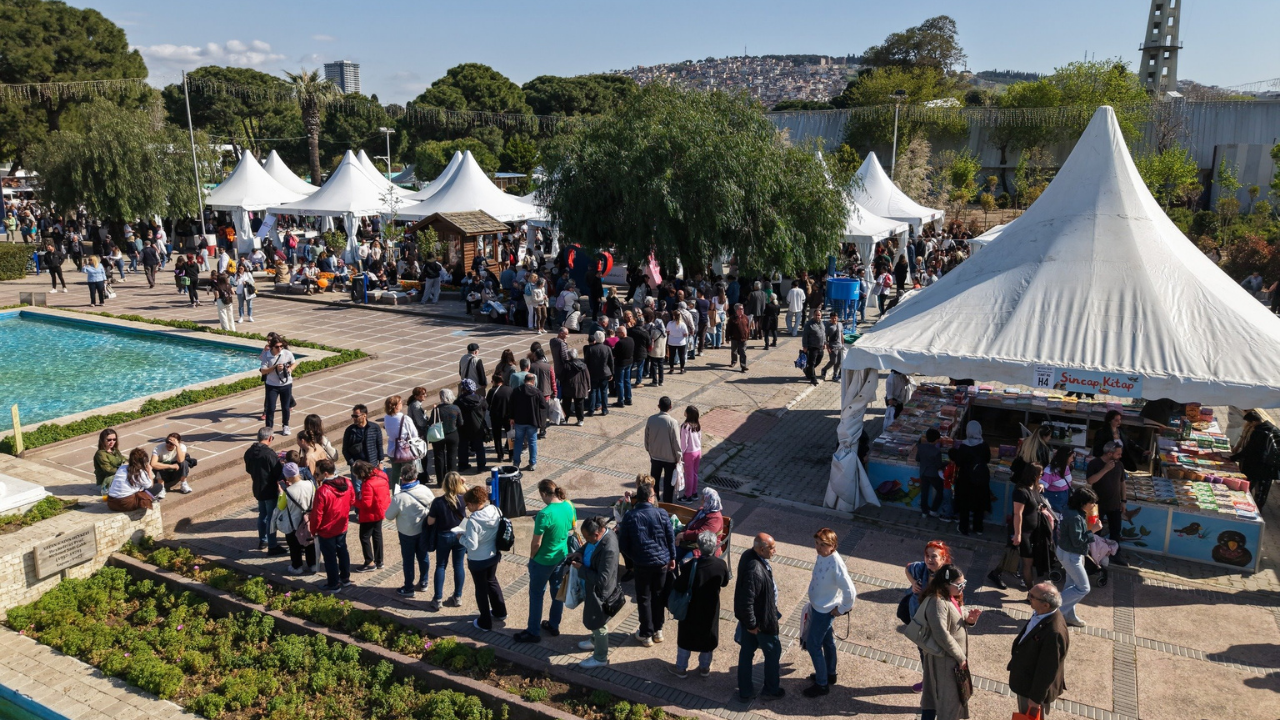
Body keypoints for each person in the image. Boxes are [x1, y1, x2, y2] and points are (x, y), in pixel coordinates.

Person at [515, 479, 577, 643]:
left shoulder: (544, 514)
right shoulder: (568, 506)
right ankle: (554, 625)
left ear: (543, 493)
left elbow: (536, 543)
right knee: (557, 592)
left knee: (536, 594)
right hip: (561, 557)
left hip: (543, 560)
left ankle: (533, 631)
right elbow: (571, 528)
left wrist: (532, 558)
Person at [916, 564, 979, 720]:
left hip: (949, 659)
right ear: (945, 584)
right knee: (948, 703)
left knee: (934, 699)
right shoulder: (937, 602)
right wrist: (960, 657)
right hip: (944, 660)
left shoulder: (951, 596)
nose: (963, 587)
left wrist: (969, 619)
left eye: (964, 583)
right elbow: (941, 634)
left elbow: (958, 612)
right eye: (959, 585)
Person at [618, 483, 676, 646]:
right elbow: (670, 537)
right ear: (651, 498)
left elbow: (623, 544)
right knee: (658, 595)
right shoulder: (662, 513)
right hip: (661, 563)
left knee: (644, 598)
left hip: (642, 564)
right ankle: (658, 630)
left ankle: (646, 633)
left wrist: (634, 557)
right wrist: (672, 557)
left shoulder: (630, 516)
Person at [802, 528, 857, 697]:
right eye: (817, 543)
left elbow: (850, 592)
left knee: (813, 645)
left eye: (823, 545)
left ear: (833, 546)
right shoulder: (823, 556)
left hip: (824, 611)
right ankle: (830, 674)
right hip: (818, 607)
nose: (818, 548)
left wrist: (841, 609)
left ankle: (822, 684)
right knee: (827, 642)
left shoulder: (836, 565)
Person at [668, 530, 731, 679]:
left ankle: (681, 668)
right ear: (714, 547)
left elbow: (678, 586)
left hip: (691, 608)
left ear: (699, 546)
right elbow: (724, 583)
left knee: (686, 638)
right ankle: (704, 668)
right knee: (708, 638)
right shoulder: (720, 565)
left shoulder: (690, 566)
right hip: (710, 608)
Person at [1008, 583, 1070, 717]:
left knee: (1029, 716)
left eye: (1032, 596)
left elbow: (1048, 669)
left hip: (1031, 689)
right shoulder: (1042, 613)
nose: (1028, 598)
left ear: (1046, 605)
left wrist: (1036, 698)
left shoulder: (1054, 633)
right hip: (1026, 680)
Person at [735, 533, 783, 702]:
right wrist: (752, 625)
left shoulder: (749, 555)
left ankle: (745, 691)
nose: (775, 551)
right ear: (761, 549)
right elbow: (746, 600)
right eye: (772, 548)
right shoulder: (755, 570)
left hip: (752, 619)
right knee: (773, 651)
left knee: (746, 653)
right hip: (761, 621)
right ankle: (771, 690)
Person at [991, 463, 1053, 591]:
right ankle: (1031, 592)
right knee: (1027, 562)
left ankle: (996, 573)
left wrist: (1041, 487)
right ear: (1034, 475)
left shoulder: (1034, 487)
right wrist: (1017, 534)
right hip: (1022, 532)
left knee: (1012, 555)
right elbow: (1017, 514)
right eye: (1041, 475)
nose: (1042, 477)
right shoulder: (1021, 492)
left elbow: (1036, 497)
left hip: (1032, 531)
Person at [452, 485, 507, 631]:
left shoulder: (474, 520)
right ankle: (500, 612)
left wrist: (460, 537)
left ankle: (485, 622)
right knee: (492, 582)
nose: (467, 507)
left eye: (468, 505)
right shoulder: (495, 510)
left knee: (481, 589)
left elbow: (472, 544)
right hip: (493, 555)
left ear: (473, 503)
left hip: (478, 560)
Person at [573, 515, 620, 669]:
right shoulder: (600, 535)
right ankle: (594, 641)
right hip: (590, 587)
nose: (586, 540)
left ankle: (600, 657)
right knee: (593, 620)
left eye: (587, 538)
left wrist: (581, 569)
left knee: (599, 624)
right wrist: (579, 552)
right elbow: (588, 545)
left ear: (596, 534)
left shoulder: (609, 548)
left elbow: (603, 579)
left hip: (599, 593)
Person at [385, 464, 435, 597]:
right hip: (423, 530)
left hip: (406, 533)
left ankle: (409, 587)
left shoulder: (399, 497)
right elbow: (433, 506)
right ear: (416, 476)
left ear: (402, 477)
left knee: (408, 560)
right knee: (423, 557)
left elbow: (389, 516)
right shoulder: (425, 489)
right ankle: (424, 582)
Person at [1057, 486, 1099, 628]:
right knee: (1083, 588)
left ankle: (1069, 616)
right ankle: (1052, 610)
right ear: (1083, 503)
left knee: (1071, 585)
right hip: (1071, 555)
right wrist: (1093, 531)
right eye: (1091, 502)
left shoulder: (1070, 510)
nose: (1093, 505)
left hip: (1067, 553)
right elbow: (1077, 541)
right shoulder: (1075, 517)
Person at [426, 471, 468, 610]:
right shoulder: (463, 499)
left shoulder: (438, 502)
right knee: (459, 565)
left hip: (443, 536)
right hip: (460, 535)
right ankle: (458, 597)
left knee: (441, 566)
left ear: (444, 484)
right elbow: (472, 495)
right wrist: (464, 484)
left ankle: (438, 599)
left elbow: (430, 522)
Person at [311, 458, 354, 593]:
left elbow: (317, 514)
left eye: (317, 473)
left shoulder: (322, 491)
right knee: (343, 551)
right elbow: (352, 500)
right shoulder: (347, 482)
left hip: (327, 530)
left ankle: (333, 583)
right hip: (342, 525)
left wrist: (313, 530)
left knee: (330, 557)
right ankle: (345, 578)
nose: (316, 476)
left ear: (325, 474)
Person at [244, 427, 286, 554]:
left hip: (257, 488)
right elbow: (278, 472)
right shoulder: (269, 454)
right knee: (271, 518)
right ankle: (272, 545)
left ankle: (263, 540)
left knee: (262, 515)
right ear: (270, 438)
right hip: (269, 489)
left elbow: (248, 469)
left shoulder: (249, 452)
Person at [1085, 441, 1128, 564]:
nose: (1120, 456)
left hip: (1114, 504)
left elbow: (1122, 483)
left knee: (1115, 530)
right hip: (1097, 505)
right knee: (1096, 530)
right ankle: (1093, 555)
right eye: (1118, 454)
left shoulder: (1119, 465)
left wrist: (1123, 501)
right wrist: (1105, 469)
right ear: (1109, 454)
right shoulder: (1094, 463)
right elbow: (1090, 481)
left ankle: (1115, 555)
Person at [949, 421, 992, 537]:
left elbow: (958, 462)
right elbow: (987, 459)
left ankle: (964, 528)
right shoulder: (984, 445)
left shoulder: (964, 446)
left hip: (966, 480)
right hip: (981, 480)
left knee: (965, 505)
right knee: (979, 504)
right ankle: (978, 528)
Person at [276, 461, 317, 575]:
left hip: (294, 523)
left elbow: (281, 506)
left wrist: (280, 493)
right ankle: (313, 564)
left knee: (294, 547)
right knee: (310, 543)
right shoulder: (310, 484)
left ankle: (297, 567)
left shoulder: (288, 491)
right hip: (309, 521)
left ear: (287, 477)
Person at [1231, 410, 1277, 508]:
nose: (1250, 425)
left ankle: (1245, 507)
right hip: (1269, 467)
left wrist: (1233, 458)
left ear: (1254, 422)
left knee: (1247, 487)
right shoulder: (1273, 428)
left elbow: (1249, 450)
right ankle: (1258, 508)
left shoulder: (1259, 432)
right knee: (1262, 492)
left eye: (1250, 423)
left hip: (1256, 466)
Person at [351, 460, 390, 572]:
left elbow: (366, 504)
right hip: (381, 509)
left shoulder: (368, 484)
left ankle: (369, 562)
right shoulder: (382, 475)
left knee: (364, 537)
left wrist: (353, 501)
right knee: (377, 535)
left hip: (370, 514)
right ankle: (379, 561)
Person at [645, 396, 683, 503]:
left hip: (655, 456)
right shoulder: (673, 422)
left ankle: (654, 501)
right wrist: (679, 457)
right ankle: (667, 503)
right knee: (668, 483)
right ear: (670, 407)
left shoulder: (651, 419)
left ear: (658, 406)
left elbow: (646, 437)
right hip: (670, 459)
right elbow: (676, 442)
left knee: (654, 481)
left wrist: (649, 450)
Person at [510, 373, 548, 471]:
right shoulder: (537, 392)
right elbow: (543, 406)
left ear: (524, 380)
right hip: (532, 421)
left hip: (519, 421)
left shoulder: (516, 391)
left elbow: (511, 405)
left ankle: (516, 463)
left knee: (518, 442)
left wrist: (511, 417)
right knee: (532, 442)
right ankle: (532, 463)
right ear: (533, 381)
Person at [261, 335, 296, 435]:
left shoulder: (287, 353)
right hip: (272, 385)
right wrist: (274, 367)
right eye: (277, 347)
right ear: (272, 347)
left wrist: (290, 369)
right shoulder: (267, 355)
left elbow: (294, 363)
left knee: (285, 407)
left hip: (286, 384)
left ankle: (286, 426)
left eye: (281, 346)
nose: (279, 349)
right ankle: (269, 429)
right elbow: (263, 371)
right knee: (270, 408)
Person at [383, 395, 421, 488]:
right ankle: (409, 489)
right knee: (409, 473)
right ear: (395, 406)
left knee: (395, 473)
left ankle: (395, 491)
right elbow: (414, 434)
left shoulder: (386, 418)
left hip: (392, 449)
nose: (402, 404)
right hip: (405, 449)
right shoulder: (405, 418)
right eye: (400, 402)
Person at [455, 379, 490, 471]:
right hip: (477, 425)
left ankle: (463, 465)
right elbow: (486, 408)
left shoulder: (459, 401)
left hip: (463, 426)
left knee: (463, 446)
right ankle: (481, 466)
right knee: (479, 447)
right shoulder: (480, 399)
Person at [430, 389, 462, 485]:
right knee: (452, 457)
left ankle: (441, 481)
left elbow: (431, 422)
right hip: (452, 434)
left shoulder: (436, 409)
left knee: (439, 457)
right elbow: (461, 422)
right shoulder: (455, 408)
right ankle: (453, 481)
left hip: (438, 435)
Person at [342, 404, 385, 470]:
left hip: (372, 465)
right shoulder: (350, 430)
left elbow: (379, 446)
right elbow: (345, 450)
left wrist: (381, 462)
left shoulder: (374, 428)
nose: (354, 418)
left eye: (356, 416)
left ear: (364, 415)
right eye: (353, 416)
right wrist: (352, 463)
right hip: (357, 467)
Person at [584, 330, 614, 417]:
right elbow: (611, 362)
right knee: (604, 392)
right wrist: (612, 373)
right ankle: (604, 410)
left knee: (592, 391)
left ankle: (591, 410)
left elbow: (586, 362)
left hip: (593, 373)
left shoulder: (590, 349)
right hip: (605, 373)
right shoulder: (607, 348)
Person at [918, 429, 945, 517]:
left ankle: (924, 511)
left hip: (923, 472)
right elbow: (939, 465)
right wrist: (947, 463)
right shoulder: (937, 451)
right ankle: (934, 509)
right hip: (933, 474)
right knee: (941, 491)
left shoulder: (921, 447)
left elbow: (917, 459)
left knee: (924, 492)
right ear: (936, 440)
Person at [561, 348, 591, 426]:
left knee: (566, 404)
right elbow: (587, 376)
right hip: (580, 387)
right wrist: (588, 386)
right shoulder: (583, 365)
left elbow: (562, 377)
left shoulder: (567, 365)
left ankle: (565, 419)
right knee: (579, 404)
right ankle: (580, 420)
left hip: (568, 387)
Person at [1042, 447, 1076, 515]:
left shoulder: (1066, 467)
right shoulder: (1049, 471)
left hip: (1064, 504)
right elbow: (1041, 488)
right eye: (1071, 457)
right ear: (1065, 458)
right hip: (1053, 507)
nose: (1072, 460)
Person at [93, 428, 126, 493]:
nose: (112, 442)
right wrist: (123, 469)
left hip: (117, 475)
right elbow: (108, 470)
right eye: (109, 440)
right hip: (107, 479)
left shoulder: (114, 450)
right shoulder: (100, 454)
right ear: (102, 440)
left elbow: (122, 459)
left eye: (114, 439)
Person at [801, 308, 825, 386]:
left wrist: (824, 343)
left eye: (819, 315)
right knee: (812, 362)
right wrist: (805, 346)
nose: (817, 316)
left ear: (821, 316)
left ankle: (808, 371)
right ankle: (813, 378)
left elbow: (823, 334)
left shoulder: (822, 323)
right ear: (813, 315)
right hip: (812, 347)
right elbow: (805, 336)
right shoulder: (809, 324)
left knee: (819, 360)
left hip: (820, 346)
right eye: (816, 315)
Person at [612, 326, 635, 407]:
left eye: (617, 333)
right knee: (627, 381)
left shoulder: (620, 343)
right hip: (629, 362)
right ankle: (628, 399)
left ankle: (620, 401)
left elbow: (614, 353)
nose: (616, 334)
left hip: (621, 364)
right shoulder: (631, 340)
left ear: (622, 333)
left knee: (619, 382)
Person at [725, 304, 750, 372]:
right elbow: (728, 329)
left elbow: (748, 327)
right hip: (735, 338)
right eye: (740, 309)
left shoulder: (745, 317)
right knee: (734, 351)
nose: (742, 310)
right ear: (736, 310)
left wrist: (748, 335)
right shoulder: (732, 319)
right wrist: (727, 338)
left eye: (742, 309)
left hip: (743, 338)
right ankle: (733, 361)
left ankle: (743, 366)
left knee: (743, 352)